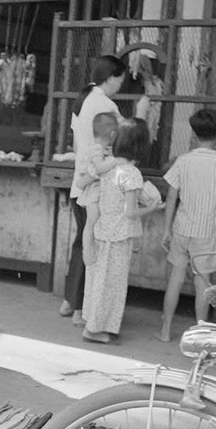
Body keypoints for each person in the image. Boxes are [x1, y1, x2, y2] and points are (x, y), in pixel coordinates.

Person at [60, 55, 149, 326]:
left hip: (83, 180)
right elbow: (127, 137)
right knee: (93, 246)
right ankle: (81, 310)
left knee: (83, 242)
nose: (121, 84)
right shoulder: (104, 103)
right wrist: (143, 112)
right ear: (111, 77)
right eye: (121, 79)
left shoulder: (85, 99)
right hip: (99, 184)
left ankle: (71, 303)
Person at [157, 109, 216, 343]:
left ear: (193, 133)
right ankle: (199, 336)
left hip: (182, 229)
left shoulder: (182, 161)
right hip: (206, 233)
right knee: (203, 283)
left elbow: (172, 197)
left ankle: (165, 331)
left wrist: (166, 229)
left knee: (175, 279)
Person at [81, 118, 162, 343]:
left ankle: (92, 322)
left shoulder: (109, 167)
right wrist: (152, 208)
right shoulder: (132, 173)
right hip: (118, 236)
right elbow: (130, 212)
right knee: (112, 285)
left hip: (102, 230)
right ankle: (94, 330)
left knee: (99, 282)